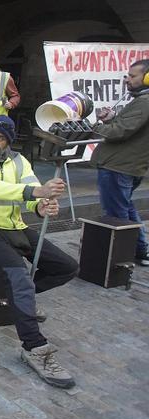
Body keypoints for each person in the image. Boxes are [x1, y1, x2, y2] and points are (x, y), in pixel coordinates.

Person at [0, 115, 78, 389]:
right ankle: (34, 347)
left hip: (13, 227)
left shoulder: (19, 161)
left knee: (66, 267)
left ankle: (20, 301)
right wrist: (37, 192)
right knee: (19, 275)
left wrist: (42, 206)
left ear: (9, 141)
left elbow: (34, 196)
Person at [92, 59, 149, 266]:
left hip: (118, 167)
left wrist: (94, 127)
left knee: (116, 215)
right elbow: (127, 124)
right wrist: (112, 117)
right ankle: (141, 250)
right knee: (127, 209)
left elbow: (119, 132)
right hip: (126, 166)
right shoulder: (141, 101)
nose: (127, 79)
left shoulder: (144, 102)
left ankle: (120, 258)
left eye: (132, 76)